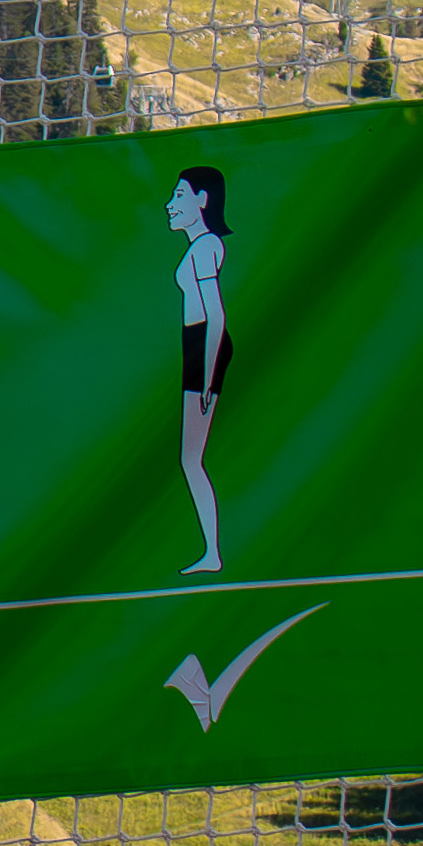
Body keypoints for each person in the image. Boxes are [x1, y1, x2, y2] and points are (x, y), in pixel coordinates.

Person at [167, 167, 233, 573]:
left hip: (206, 345)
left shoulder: (206, 247)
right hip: (197, 344)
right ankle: (211, 552)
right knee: (190, 457)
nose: (170, 205)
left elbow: (217, 315)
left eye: (179, 196)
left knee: (192, 458)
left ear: (203, 200)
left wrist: (207, 376)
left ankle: (212, 554)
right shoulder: (198, 248)